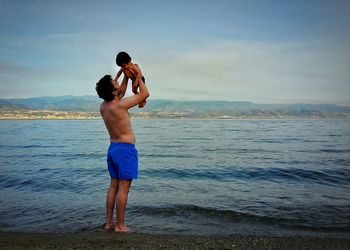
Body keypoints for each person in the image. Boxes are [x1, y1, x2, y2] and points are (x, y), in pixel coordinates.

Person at [95, 74, 149, 233]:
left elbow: (120, 92)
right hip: (125, 151)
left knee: (113, 186)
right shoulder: (120, 105)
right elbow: (144, 94)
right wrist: (138, 77)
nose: (118, 82)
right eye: (115, 82)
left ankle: (108, 223)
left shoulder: (104, 106)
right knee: (123, 189)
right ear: (113, 92)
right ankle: (120, 226)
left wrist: (124, 73)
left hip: (113, 149)